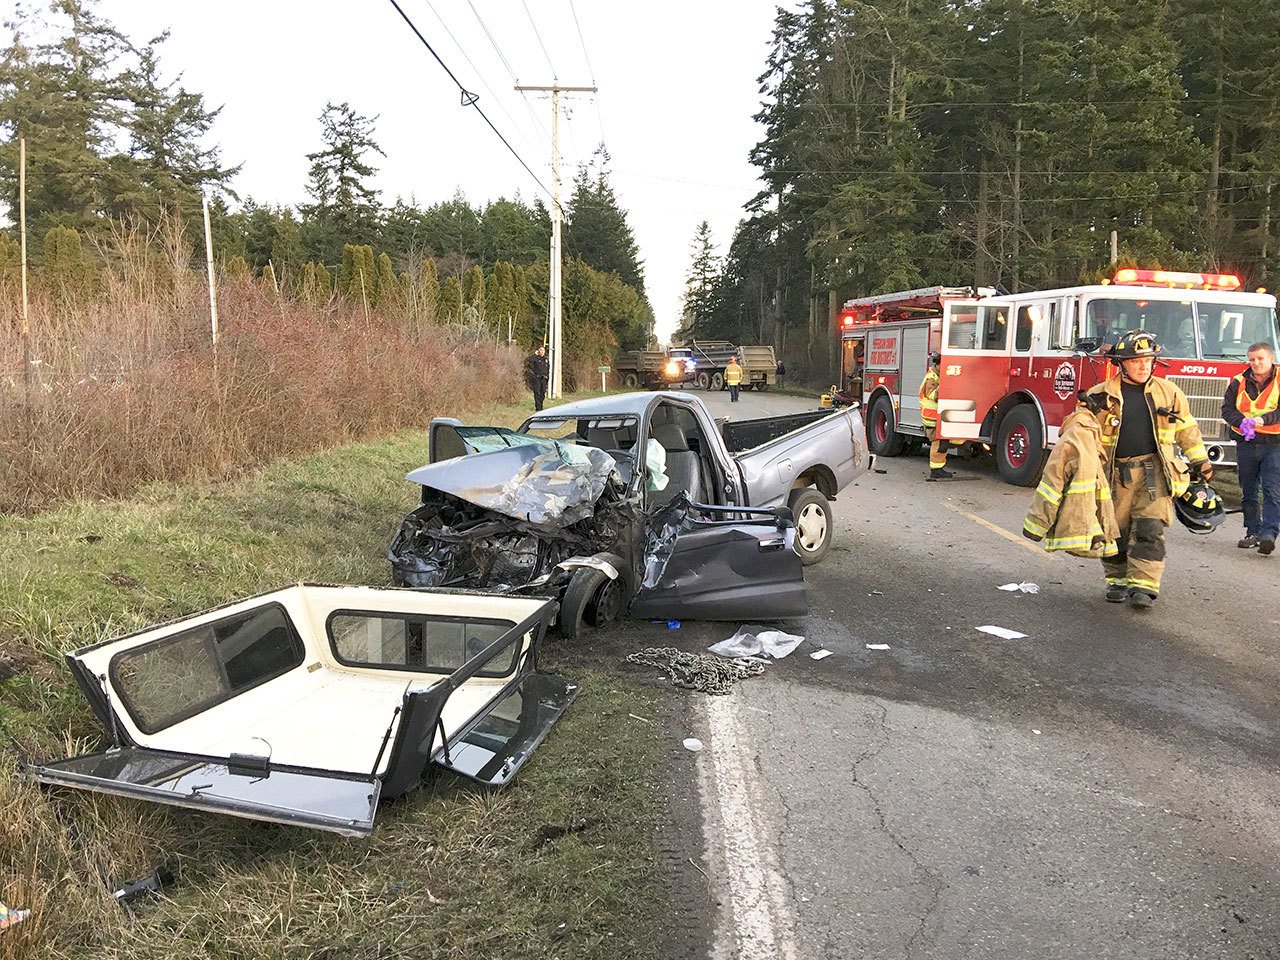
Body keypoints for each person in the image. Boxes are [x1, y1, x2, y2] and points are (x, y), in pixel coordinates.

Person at [1082, 330, 1213, 611]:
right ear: (1122, 363)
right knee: (1115, 530)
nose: (1143, 366)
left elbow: (1187, 430)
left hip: (1155, 472)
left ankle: (1143, 586)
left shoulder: (1169, 392)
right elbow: (1078, 439)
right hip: (1115, 475)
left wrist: (1200, 460)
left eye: (1148, 360)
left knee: (1150, 529)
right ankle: (1117, 580)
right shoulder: (1099, 395)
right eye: (1136, 360)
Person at [1023, 392, 1119, 557]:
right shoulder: (1077, 437)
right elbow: (1052, 483)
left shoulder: (1087, 433)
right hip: (1080, 525)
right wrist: (1036, 526)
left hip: (1088, 525)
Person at [1221, 341, 1280, 555]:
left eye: (1260, 358)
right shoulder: (1239, 381)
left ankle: (1269, 533)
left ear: (1271, 359)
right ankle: (1252, 531)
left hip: (1274, 444)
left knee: (1272, 491)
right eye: (1252, 359)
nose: (1256, 363)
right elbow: (1227, 410)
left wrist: (1264, 420)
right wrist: (1241, 422)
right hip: (1246, 442)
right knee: (1248, 490)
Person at [919, 352, 952, 480]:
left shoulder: (937, 376)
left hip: (937, 417)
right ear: (937, 365)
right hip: (932, 418)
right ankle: (936, 470)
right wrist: (947, 384)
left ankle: (939, 468)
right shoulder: (931, 378)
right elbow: (933, 395)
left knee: (943, 443)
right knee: (938, 444)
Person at [525, 345, 549, 411]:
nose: (542, 352)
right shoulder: (535, 358)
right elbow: (529, 360)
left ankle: (541, 405)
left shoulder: (545, 359)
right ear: (538, 351)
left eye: (543, 350)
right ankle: (538, 408)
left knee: (542, 394)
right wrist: (535, 355)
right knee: (537, 393)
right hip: (537, 378)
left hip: (544, 379)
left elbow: (547, 369)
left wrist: (547, 378)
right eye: (541, 350)